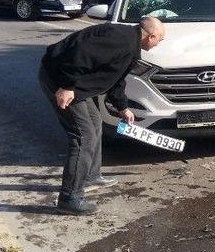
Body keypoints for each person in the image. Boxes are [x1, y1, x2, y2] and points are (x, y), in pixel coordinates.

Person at [39, 18, 166, 215]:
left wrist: (122, 108)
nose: (158, 44)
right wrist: (67, 85)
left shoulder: (131, 45)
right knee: (84, 136)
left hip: (76, 86)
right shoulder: (120, 40)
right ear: (151, 36)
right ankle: (69, 198)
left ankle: (90, 175)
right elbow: (80, 53)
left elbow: (115, 79)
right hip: (60, 81)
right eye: (160, 40)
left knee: (95, 121)